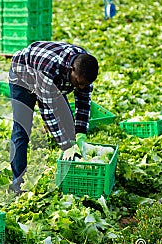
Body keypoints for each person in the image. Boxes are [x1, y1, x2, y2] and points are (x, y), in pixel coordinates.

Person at [8, 41, 99, 193]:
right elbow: (48, 112)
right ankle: (19, 183)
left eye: (85, 84)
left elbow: (83, 103)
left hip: (54, 82)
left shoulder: (84, 70)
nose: (81, 87)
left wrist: (81, 132)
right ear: (71, 70)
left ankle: (71, 172)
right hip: (22, 77)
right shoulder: (49, 70)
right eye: (78, 83)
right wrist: (66, 145)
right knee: (21, 130)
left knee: (69, 126)